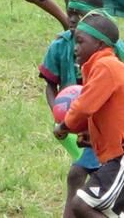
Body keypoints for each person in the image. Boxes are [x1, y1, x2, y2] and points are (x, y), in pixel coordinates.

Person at [39, 0, 105, 218]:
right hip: (76, 123)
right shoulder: (59, 46)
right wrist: (60, 118)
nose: (73, 18)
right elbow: (50, 85)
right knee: (83, 173)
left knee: (78, 174)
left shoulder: (112, 52)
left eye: (80, 14)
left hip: (103, 124)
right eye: (71, 12)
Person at [54, 13, 124, 218]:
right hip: (115, 156)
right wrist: (92, 138)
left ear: (100, 44)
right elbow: (111, 117)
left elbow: (84, 107)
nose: (75, 47)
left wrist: (64, 126)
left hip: (121, 158)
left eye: (80, 41)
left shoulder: (106, 66)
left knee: (82, 204)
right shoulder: (101, 68)